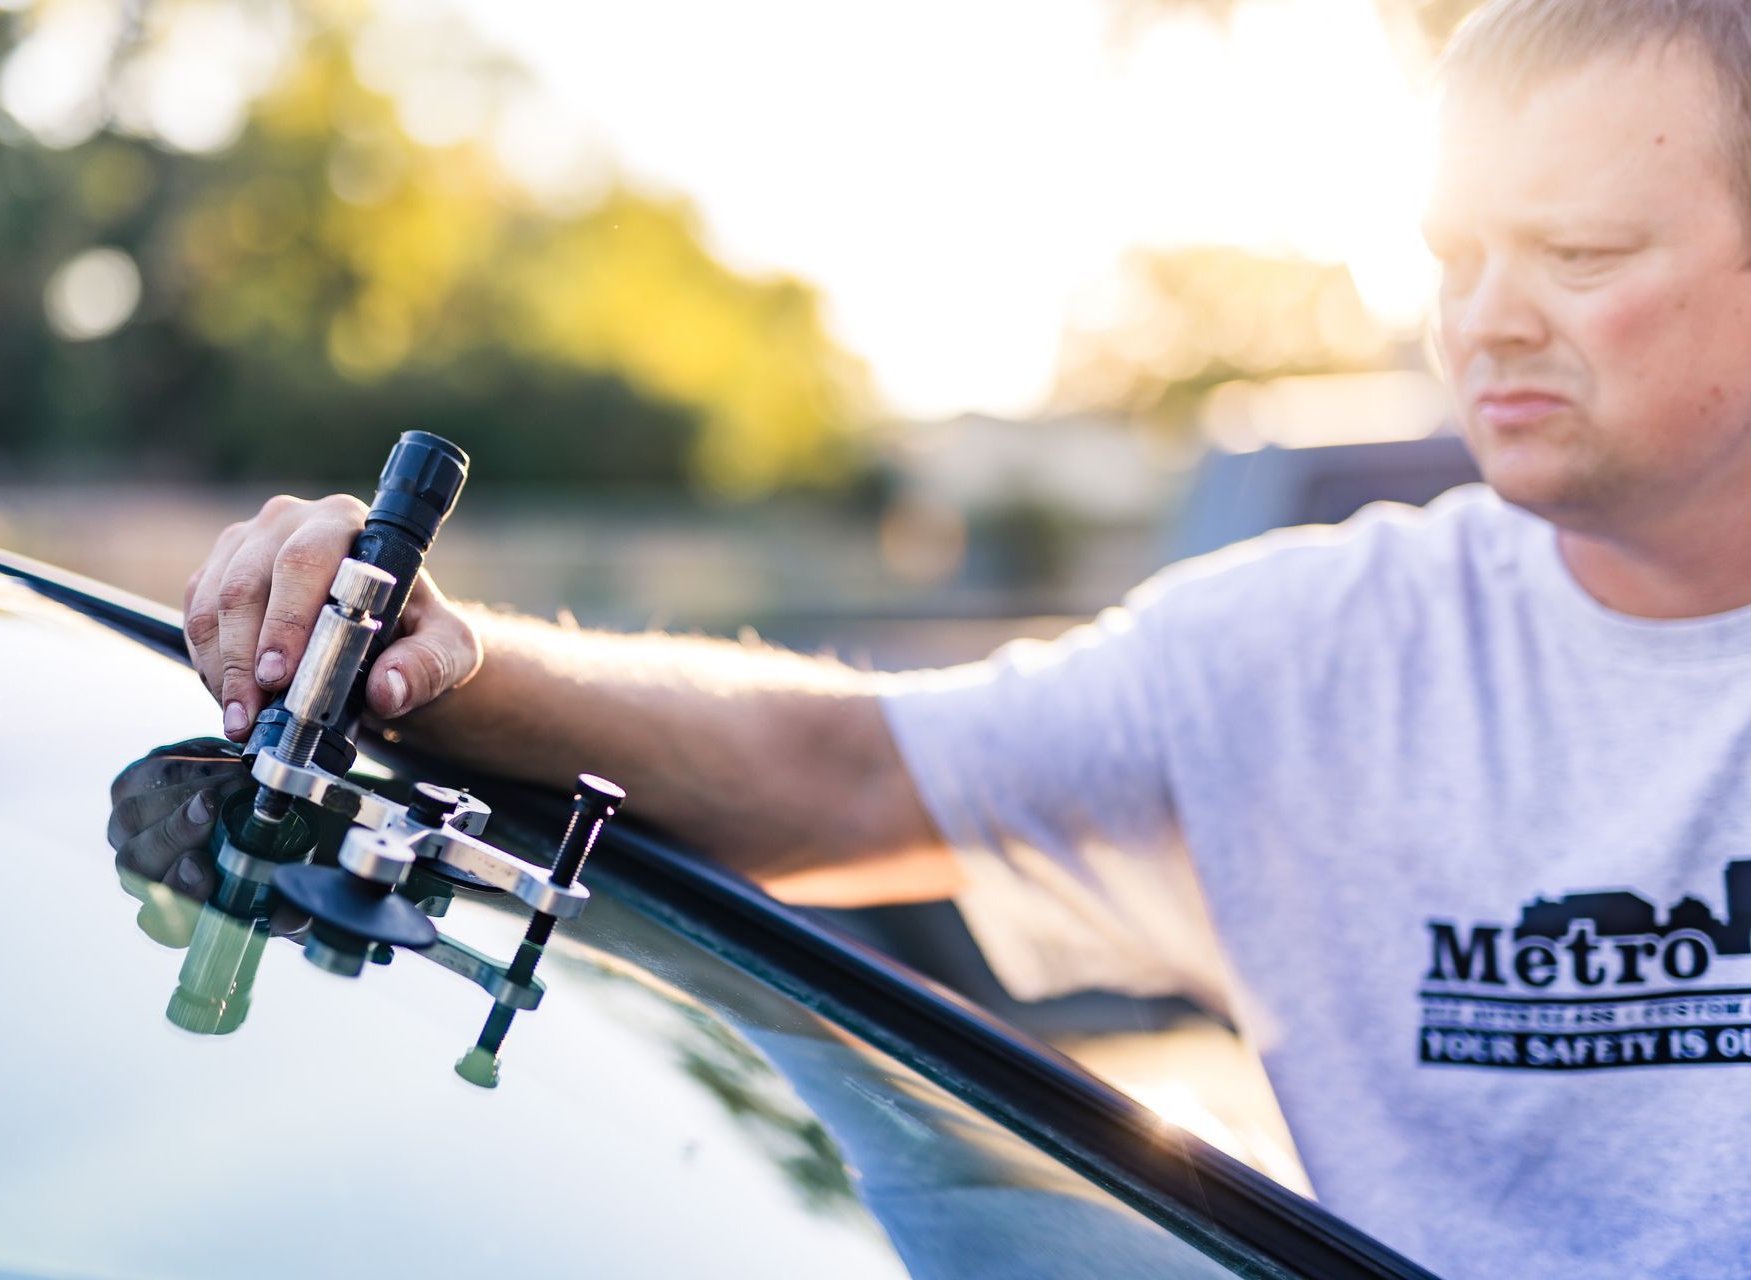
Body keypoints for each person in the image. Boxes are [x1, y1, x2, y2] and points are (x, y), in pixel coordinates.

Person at [179, 1, 1751, 1274]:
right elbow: (857, 775)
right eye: (1452, 259)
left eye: (1582, 257)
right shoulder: (1317, 649)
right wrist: (455, 667)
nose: (1484, 319)